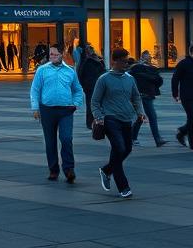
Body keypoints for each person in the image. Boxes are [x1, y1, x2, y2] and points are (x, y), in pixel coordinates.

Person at [92, 48, 145, 198]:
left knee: (127, 149)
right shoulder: (104, 79)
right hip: (110, 119)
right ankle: (124, 187)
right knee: (119, 148)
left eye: (127, 61)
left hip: (127, 118)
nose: (126, 64)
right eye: (123, 61)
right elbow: (95, 101)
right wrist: (99, 116)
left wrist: (140, 112)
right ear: (114, 61)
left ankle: (107, 170)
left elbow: (136, 97)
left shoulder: (129, 78)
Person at [30, 45, 84, 182]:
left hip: (66, 110)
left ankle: (69, 169)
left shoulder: (70, 71)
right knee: (50, 142)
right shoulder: (42, 70)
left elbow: (78, 90)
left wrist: (76, 104)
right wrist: (35, 108)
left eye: (55, 54)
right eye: (50, 54)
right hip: (47, 110)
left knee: (66, 139)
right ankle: (53, 170)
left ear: (62, 54)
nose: (52, 57)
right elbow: (35, 90)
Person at [171, 44, 193, 150]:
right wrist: (175, 94)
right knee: (191, 118)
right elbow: (175, 79)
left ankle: (182, 131)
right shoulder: (183, 64)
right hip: (186, 95)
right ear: (191, 52)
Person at [129, 50, 167, 146]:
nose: (148, 58)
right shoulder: (139, 68)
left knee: (143, 117)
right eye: (147, 56)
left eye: (149, 56)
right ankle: (156, 139)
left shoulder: (147, 69)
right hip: (142, 96)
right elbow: (158, 81)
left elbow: (158, 81)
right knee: (146, 117)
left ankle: (134, 137)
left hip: (146, 95)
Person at [76, 45, 105, 130]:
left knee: (97, 104)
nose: (90, 52)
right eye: (88, 50)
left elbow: (103, 72)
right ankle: (91, 122)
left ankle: (97, 121)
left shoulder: (99, 60)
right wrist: (84, 85)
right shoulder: (85, 61)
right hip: (90, 86)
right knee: (90, 105)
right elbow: (80, 74)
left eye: (91, 50)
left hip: (96, 85)